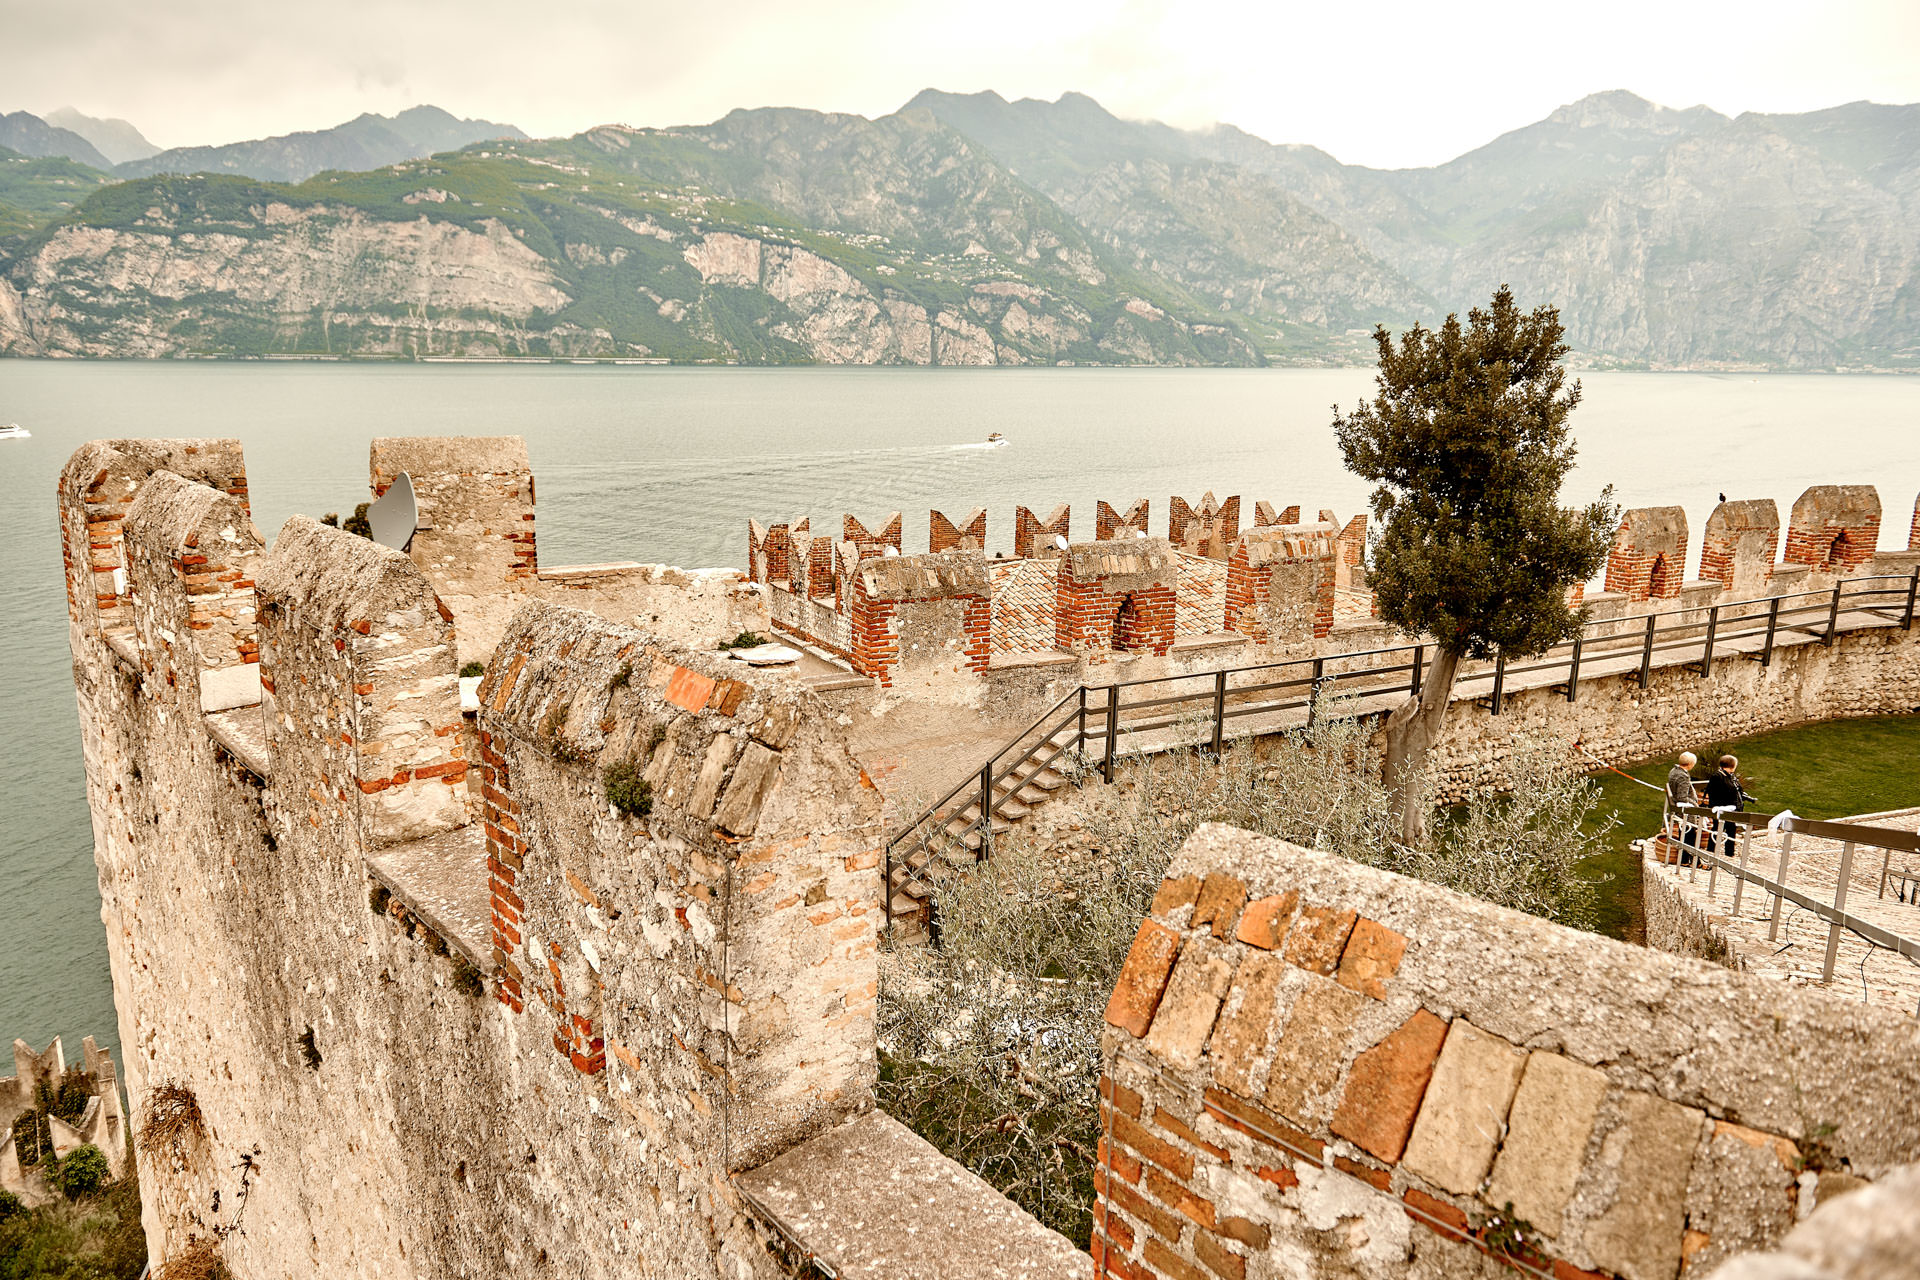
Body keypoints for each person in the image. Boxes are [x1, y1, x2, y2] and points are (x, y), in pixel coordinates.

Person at [1701, 754, 1751, 861]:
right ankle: (1711, 851)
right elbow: (1715, 793)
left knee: (1731, 828)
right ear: (1733, 766)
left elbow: (1737, 789)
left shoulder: (1731, 776)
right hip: (1721, 809)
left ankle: (1729, 853)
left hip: (1732, 809)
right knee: (1717, 829)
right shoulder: (1718, 776)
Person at [1665, 751, 1700, 864]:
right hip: (1686, 810)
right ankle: (1694, 862)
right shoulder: (1683, 776)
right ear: (1690, 764)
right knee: (1690, 836)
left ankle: (1685, 860)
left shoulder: (1674, 770)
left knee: (1685, 834)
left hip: (1680, 808)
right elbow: (1682, 797)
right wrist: (1695, 804)